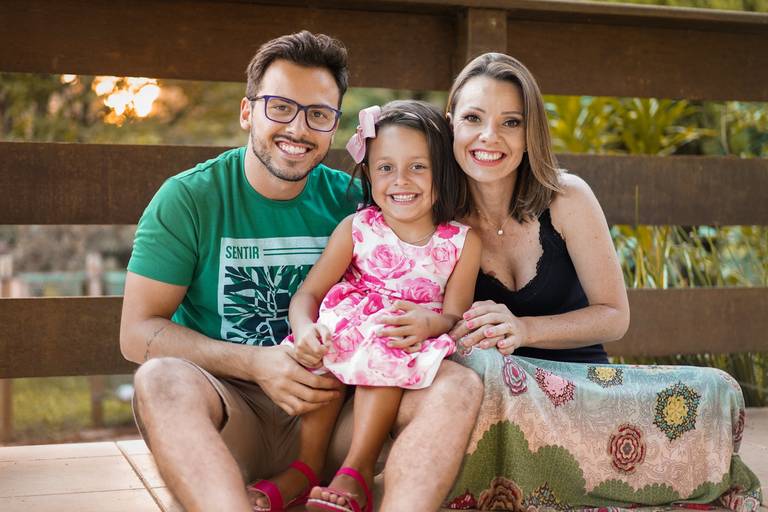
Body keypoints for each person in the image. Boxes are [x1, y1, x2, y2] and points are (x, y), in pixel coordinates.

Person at [119, 31, 483, 512]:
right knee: (159, 379)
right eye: (280, 107)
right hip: (233, 412)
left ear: (334, 128)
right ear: (247, 111)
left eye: (318, 114)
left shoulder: (361, 201)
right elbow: (136, 335)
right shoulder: (189, 199)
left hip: (341, 417)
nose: (297, 127)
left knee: (458, 385)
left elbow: (441, 233)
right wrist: (256, 364)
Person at [442, 52, 762, 511]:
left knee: (715, 388)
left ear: (531, 135)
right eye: (473, 118)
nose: (489, 136)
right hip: (502, 404)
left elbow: (614, 316)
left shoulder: (567, 197)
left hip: (587, 393)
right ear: (451, 124)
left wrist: (524, 329)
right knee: (480, 373)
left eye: (511, 122)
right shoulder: (437, 218)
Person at [248, 100, 481, 512]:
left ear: (443, 171)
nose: (400, 180)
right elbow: (308, 295)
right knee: (325, 346)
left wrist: (428, 323)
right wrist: (304, 329)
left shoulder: (461, 241)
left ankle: (356, 471)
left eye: (418, 166)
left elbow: (454, 314)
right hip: (344, 330)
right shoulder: (356, 228)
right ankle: (306, 467)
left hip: (402, 335)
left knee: (385, 340)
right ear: (369, 173)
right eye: (385, 167)